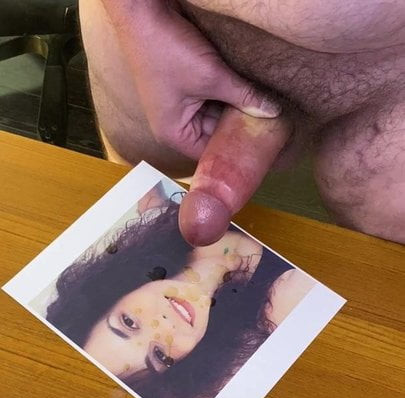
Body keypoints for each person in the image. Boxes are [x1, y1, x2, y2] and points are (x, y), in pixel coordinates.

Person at [79, 0, 405, 246]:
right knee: (142, 180)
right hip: (166, 24)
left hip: (393, 76)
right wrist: (137, 22)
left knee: (379, 261)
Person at [45, 199, 313, 398]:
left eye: (129, 322)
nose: (163, 327)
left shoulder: (163, 213)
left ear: (114, 295)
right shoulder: (284, 299)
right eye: (160, 355)